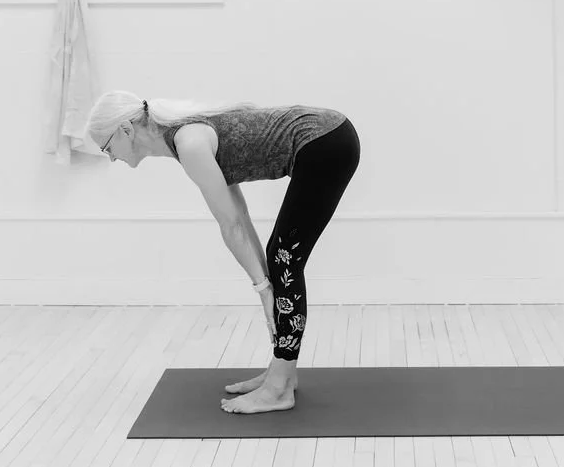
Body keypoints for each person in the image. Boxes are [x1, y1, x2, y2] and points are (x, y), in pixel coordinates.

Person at [86, 91, 360, 414]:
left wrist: (264, 289)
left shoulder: (188, 143)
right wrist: (265, 283)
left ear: (126, 131)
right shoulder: (184, 136)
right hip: (328, 139)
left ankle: (279, 388)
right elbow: (239, 216)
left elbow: (230, 226)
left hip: (327, 145)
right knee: (278, 257)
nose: (111, 158)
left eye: (106, 147)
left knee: (285, 258)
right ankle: (281, 373)